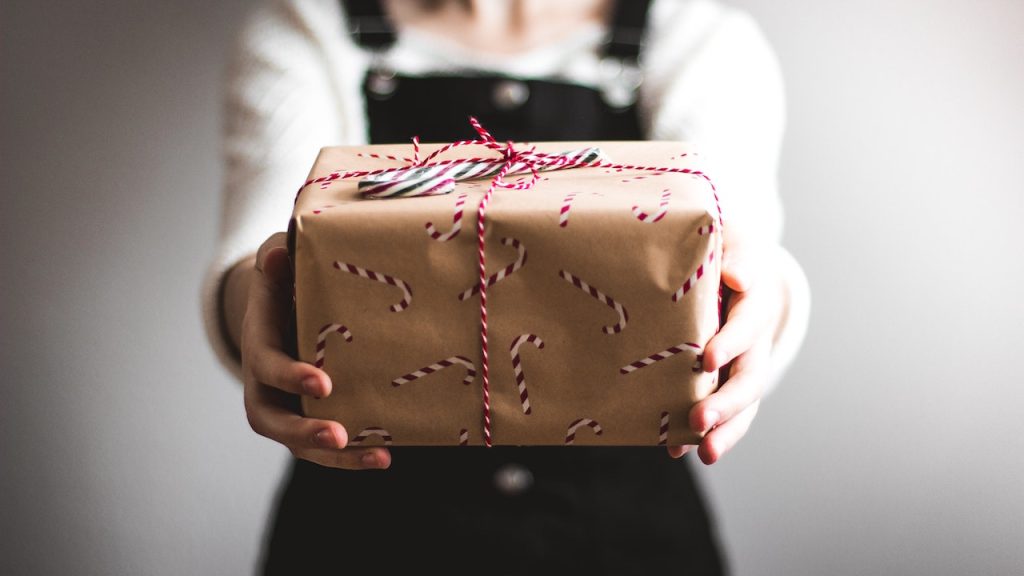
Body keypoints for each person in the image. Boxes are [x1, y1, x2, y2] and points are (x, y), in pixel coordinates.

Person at [201, 0, 811, 573]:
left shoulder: (696, 37)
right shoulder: (309, 30)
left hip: (627, 538)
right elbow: (263, 247)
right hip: (363, 539)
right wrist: (257, 308)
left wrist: (766, 300)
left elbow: (739, 241)